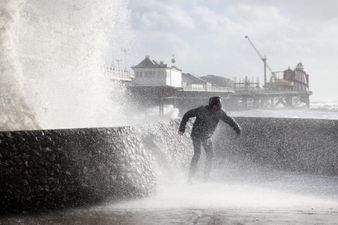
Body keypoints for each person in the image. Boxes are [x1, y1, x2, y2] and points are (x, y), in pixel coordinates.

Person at [178, 96, 241, 182]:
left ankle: (206, 177)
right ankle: (190, 178)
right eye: (217, 106)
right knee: (197, 154)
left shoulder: (220, 113)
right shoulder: (202, 110)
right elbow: (187, 115)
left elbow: (229, 120)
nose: (218, 108)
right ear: (212, 105)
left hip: (206, 137)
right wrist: (182, 128)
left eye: (220, 106)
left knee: (210, 155)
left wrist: (237, 129)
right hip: (196, 135)